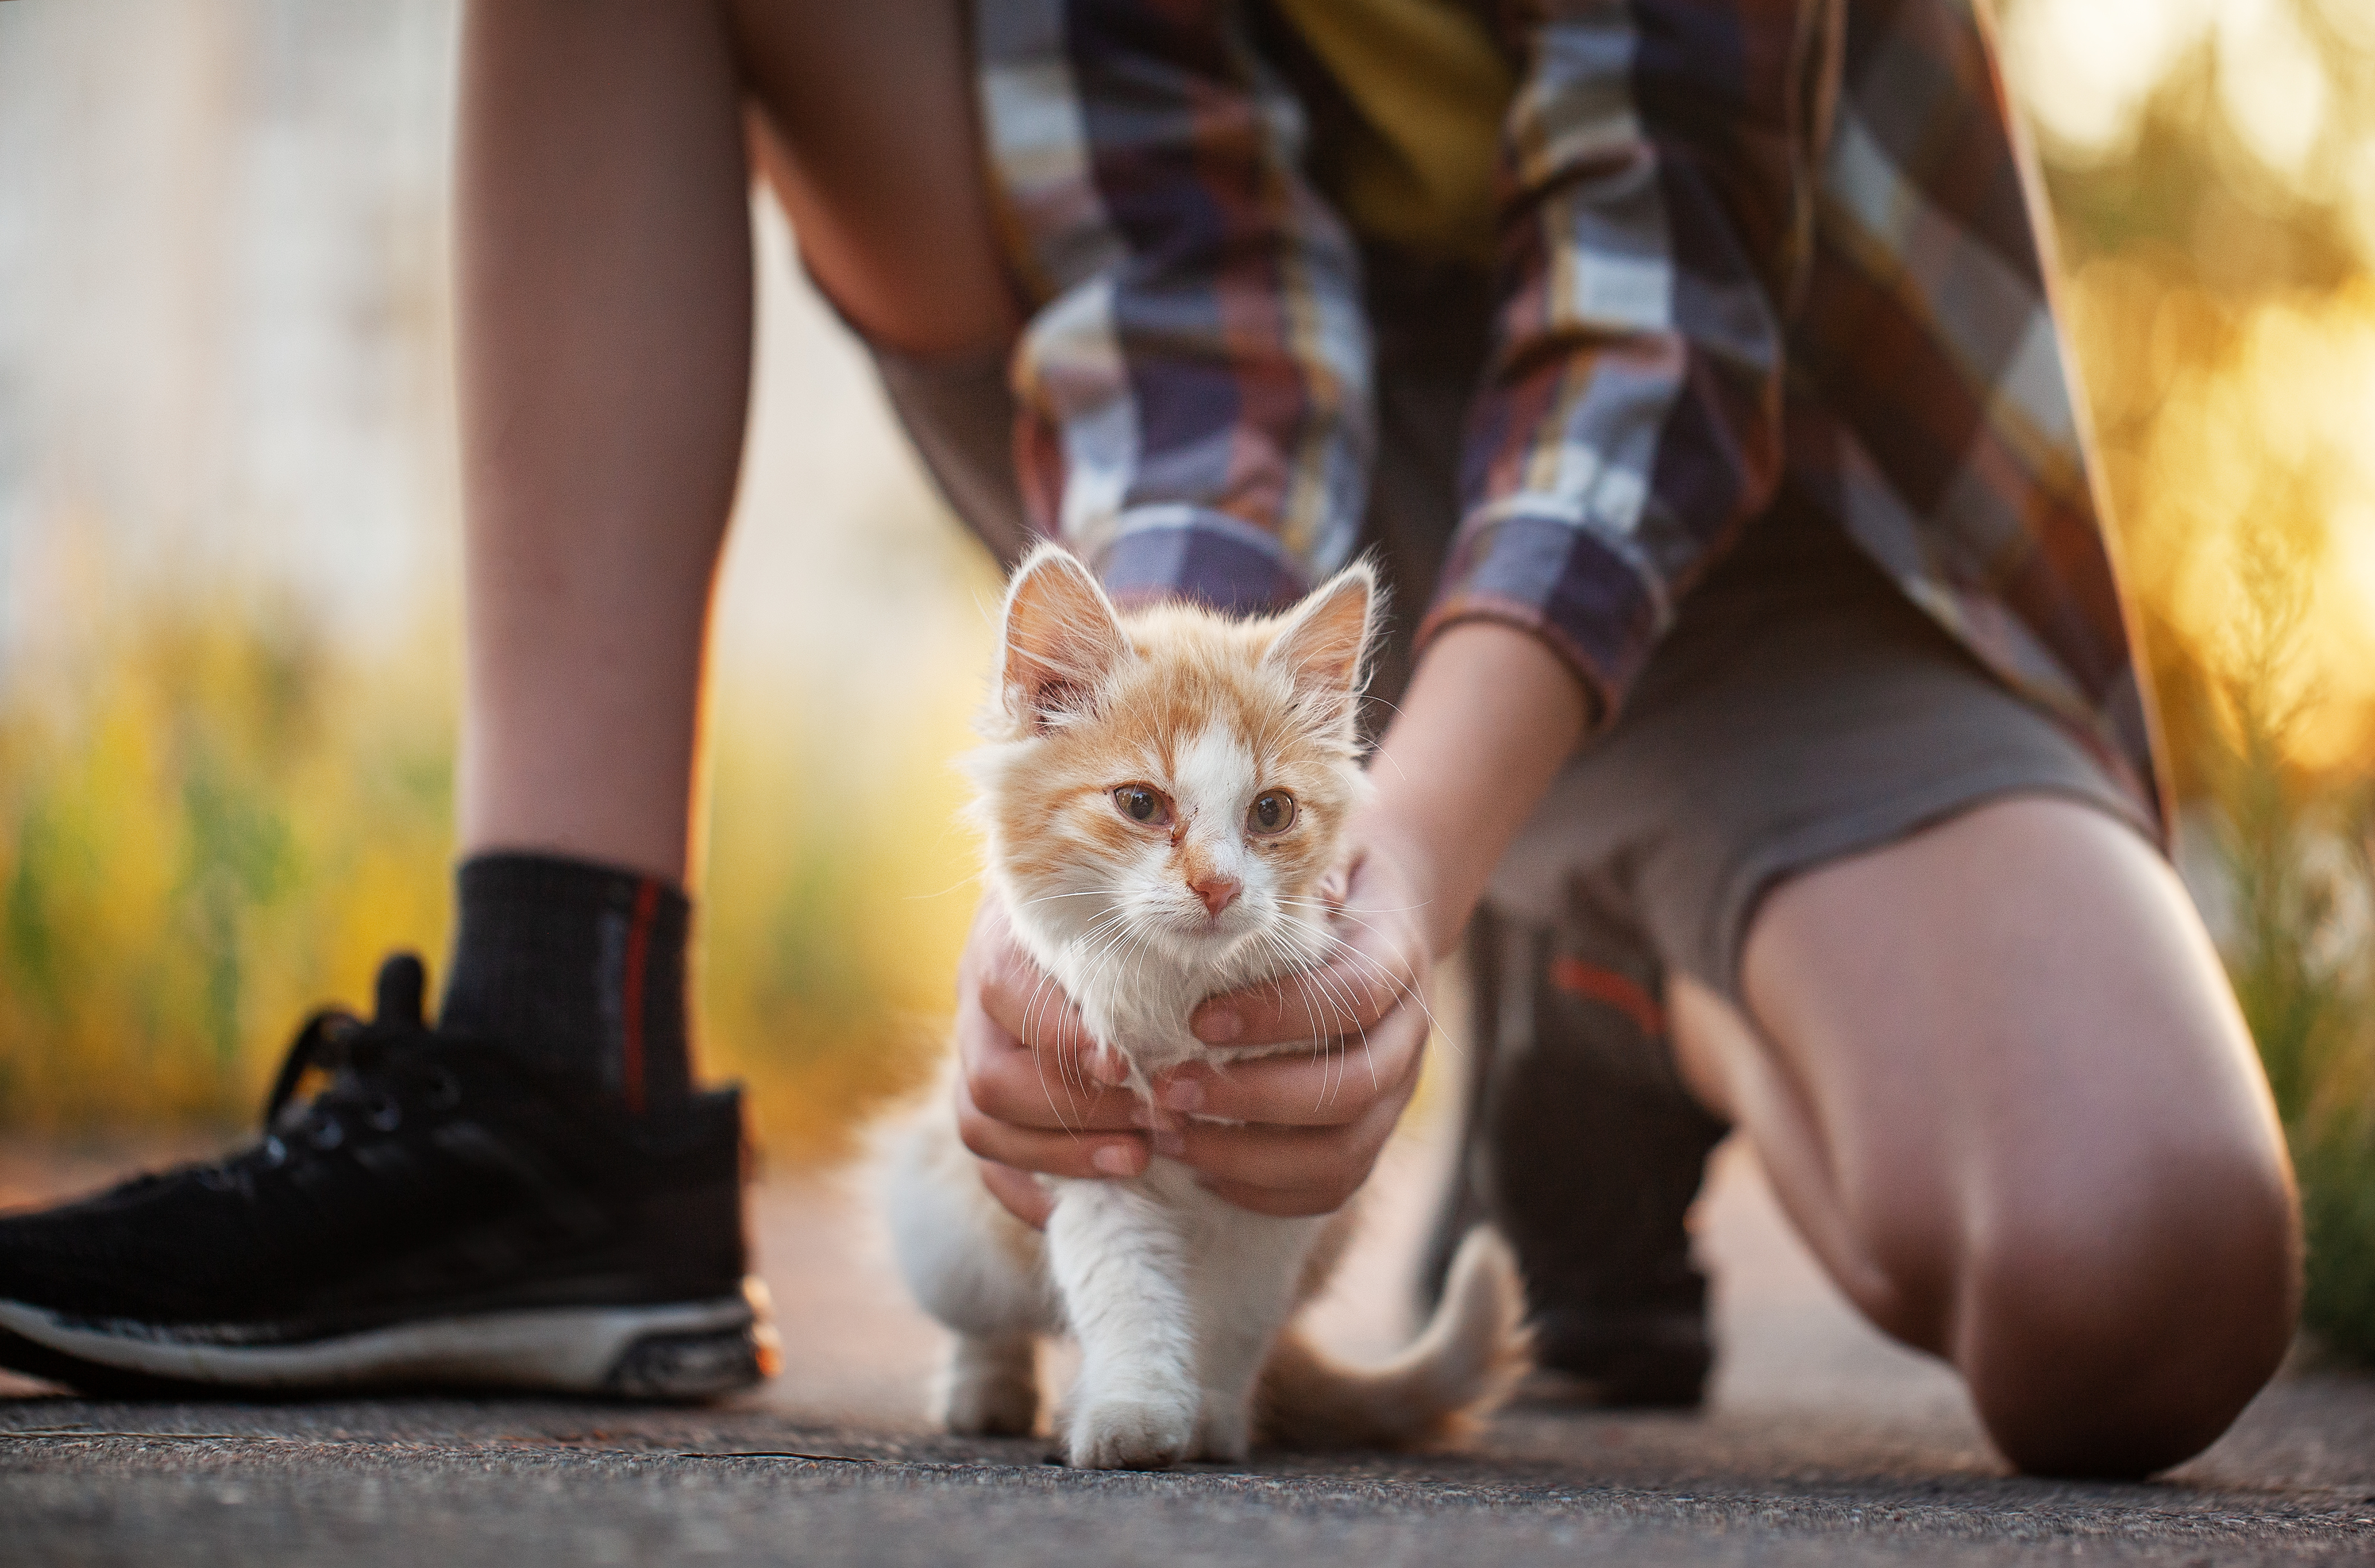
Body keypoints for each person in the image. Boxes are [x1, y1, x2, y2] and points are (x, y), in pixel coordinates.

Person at [0, 0, 2296, 1480]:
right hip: (1247, 544)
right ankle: (551, 1064)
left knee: (2140, 1279)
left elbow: (1660, 313)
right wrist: (1147, 721)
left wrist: (1398, 854)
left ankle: (1621, 996)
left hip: (1749, 515)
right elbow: (1193, 289)